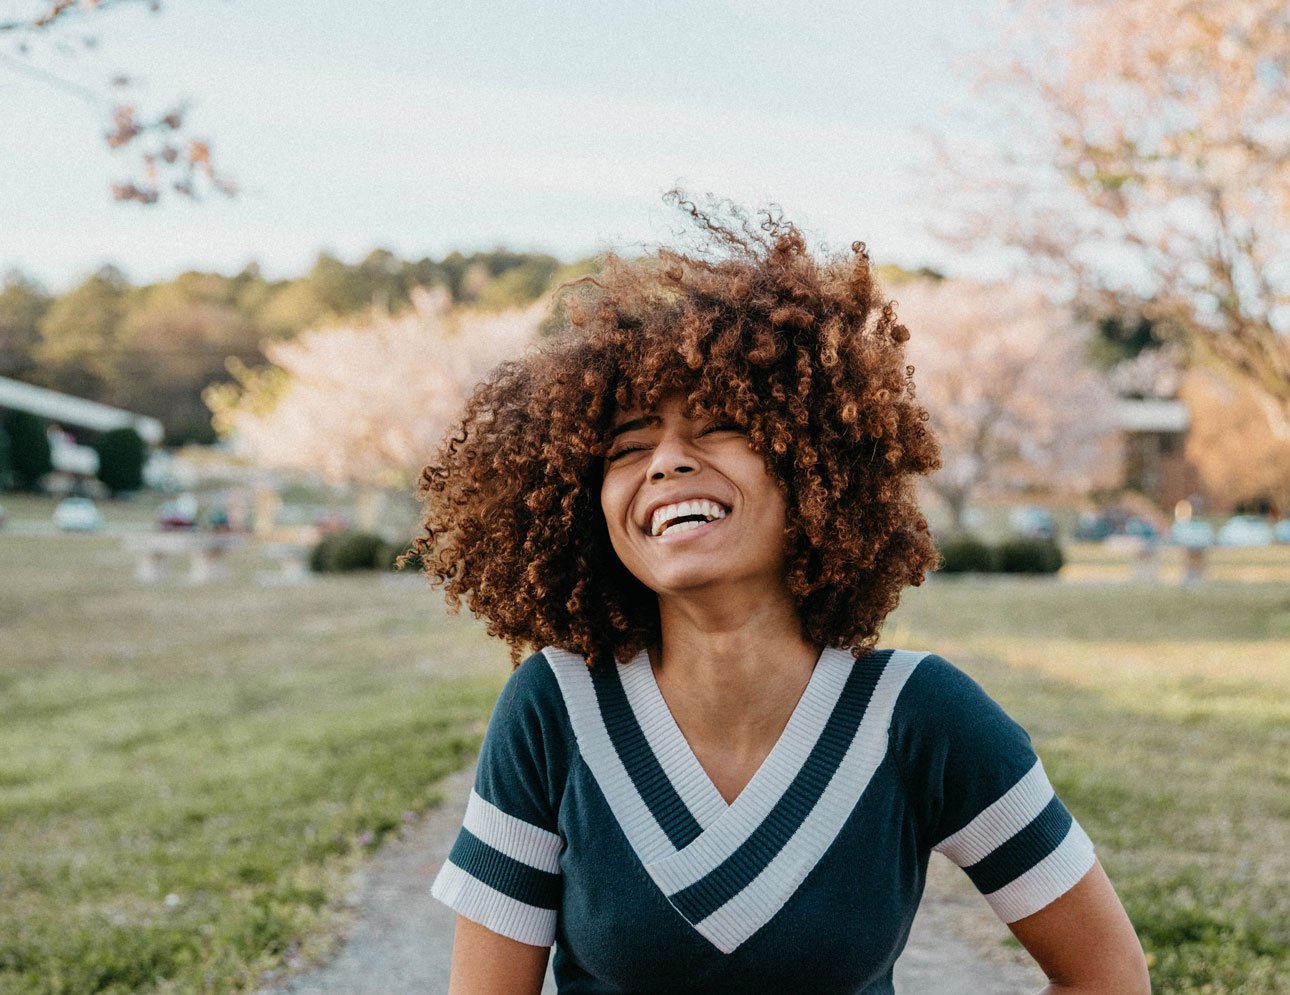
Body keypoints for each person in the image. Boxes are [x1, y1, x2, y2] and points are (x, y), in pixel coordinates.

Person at [410, 196, 1150, 995]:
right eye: (628, 446)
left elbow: (1106, 975)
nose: (664, 462)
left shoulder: (920, 713)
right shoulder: (554, 707)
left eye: (718, 425)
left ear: (813, 461)